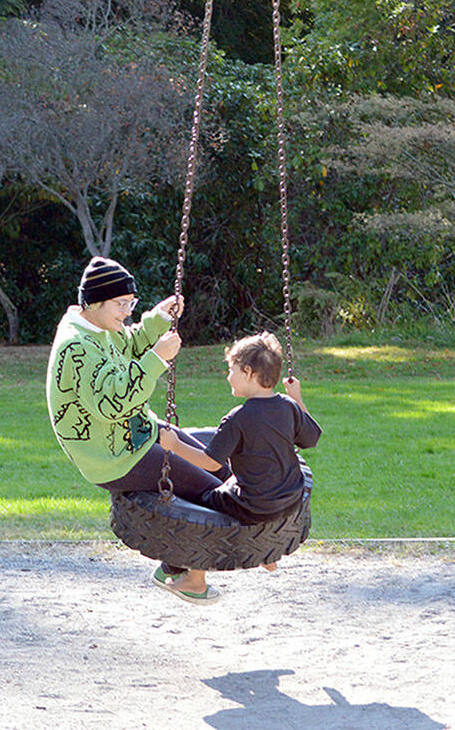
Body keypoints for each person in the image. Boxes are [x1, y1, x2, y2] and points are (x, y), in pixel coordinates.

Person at [46, 256, 229, 604]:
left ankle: (173, 566)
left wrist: (157, 319)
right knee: (210, 490)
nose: (127, 312)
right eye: (121, 304)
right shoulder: (76, 346)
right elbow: (113, 402)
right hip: (112, 456)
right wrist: (157, 358)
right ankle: (189, 574)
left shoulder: (98, 329)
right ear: (93, 301)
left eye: (131, 304)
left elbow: (128, 343)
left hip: (136, 432)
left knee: (215, 464)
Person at [158, 331, 321, 571]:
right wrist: (297, 398)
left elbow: (211, 462)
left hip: (254, 504)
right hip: (291, 499)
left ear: (248, 372)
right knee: (243, 486)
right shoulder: (288, 407)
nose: (228, 377)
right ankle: (267, 551)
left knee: (200, 504)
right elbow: (311, 438)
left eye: (231, 370)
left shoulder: (238, 418)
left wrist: (175, 446)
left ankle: (193, 579)